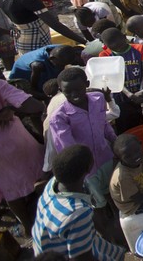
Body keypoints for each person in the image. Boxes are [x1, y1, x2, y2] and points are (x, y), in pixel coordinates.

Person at [32, 144, 126, 260]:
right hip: (61, 255)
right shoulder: (77, 213)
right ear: (89, 168)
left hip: (44, 246)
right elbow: (82, 257)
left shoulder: (53, 184)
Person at [50, 67, 118, 209]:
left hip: (106, 157)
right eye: (68, 92)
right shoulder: (59, 118)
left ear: (87, 85)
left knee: (114, 190)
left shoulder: (98, 99)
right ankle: (106, 220)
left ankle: (115, 209)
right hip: (87, 169)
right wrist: (84, 169)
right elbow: (70, 149)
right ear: (61, 90)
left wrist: (115, 141)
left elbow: (104, 124)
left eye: (78, 89)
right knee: (97, 201)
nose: (74, 94)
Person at [0, 77, 45, 233]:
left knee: (10, 189)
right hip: (18, 143)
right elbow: (36, 106)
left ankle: (27, 226)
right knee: (40, 177)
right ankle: (50, 211)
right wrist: (12, 108)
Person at [99, 27, 143, 133]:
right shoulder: (105, 55)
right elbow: (112, 79)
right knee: (128, 127)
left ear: (124, 37)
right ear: (105, 46)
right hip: (123, 97)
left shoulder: (138, 49)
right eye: (111, 46)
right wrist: (129, 94)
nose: (117, 47)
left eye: (119, 43)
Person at [9, 45, 81, 99]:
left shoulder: (60, 49)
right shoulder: (37, 65)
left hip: (42, 73)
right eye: (61, 64)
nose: (62, 67)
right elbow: (33, 86)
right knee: (47, 95)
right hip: (25, 79)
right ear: (52, 58)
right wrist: (38, 94)